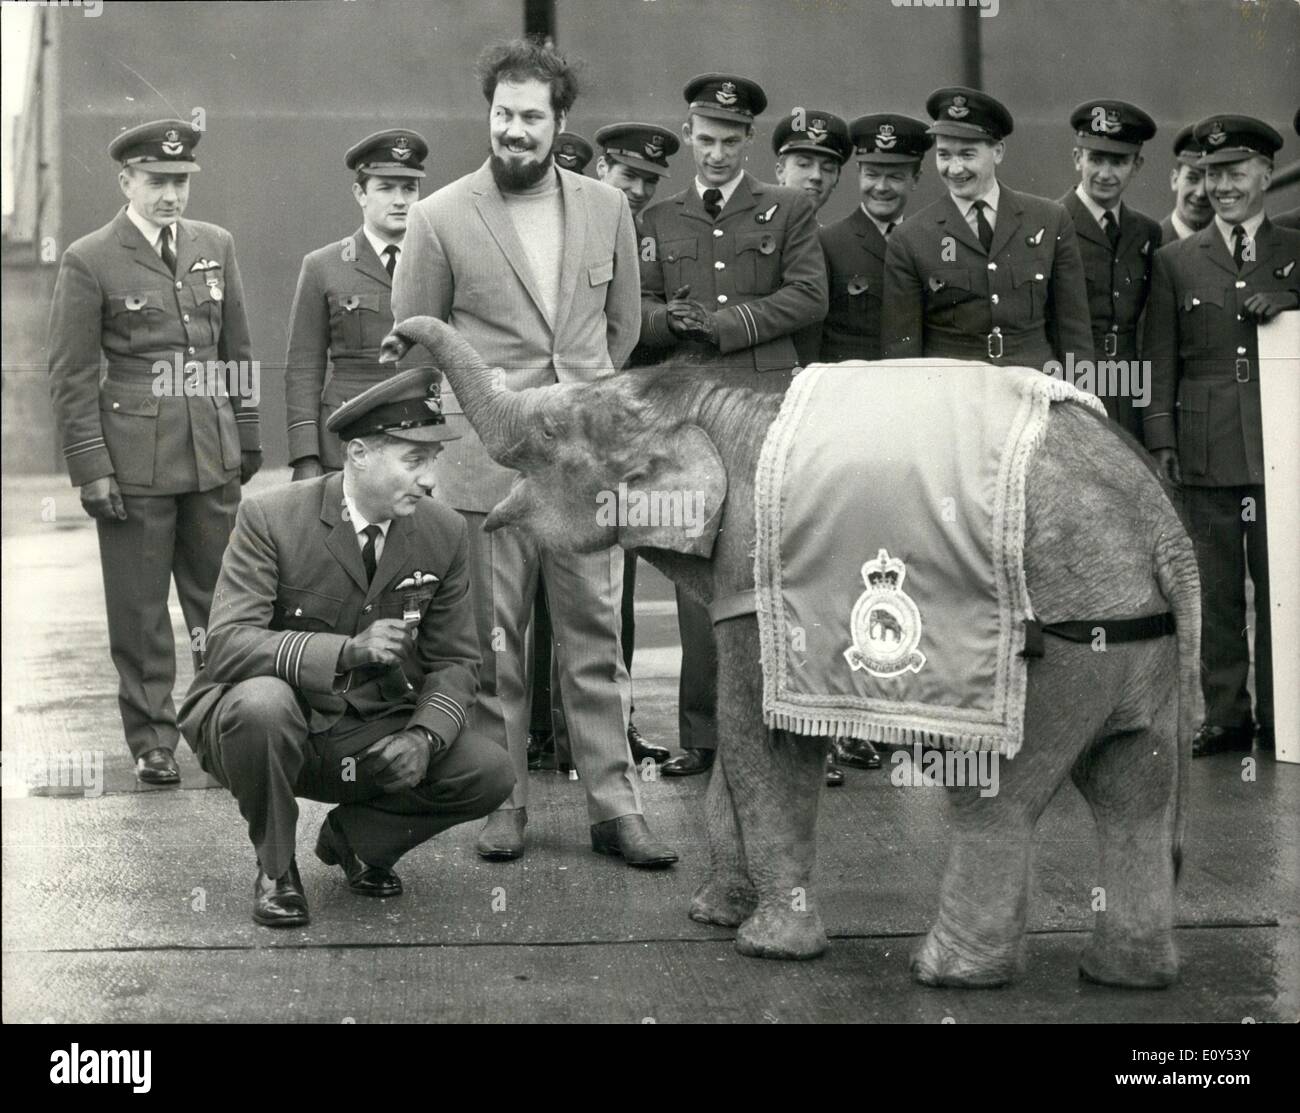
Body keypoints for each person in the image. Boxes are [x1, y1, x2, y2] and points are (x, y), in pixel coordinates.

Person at [392, 38, 676, 866]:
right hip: (488, 471)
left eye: (530, 117)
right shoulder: (440, 215)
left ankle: (615, 807)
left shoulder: (607, 208)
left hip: (584, 469)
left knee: (595, 640)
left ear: (560, 123)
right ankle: (501, 797)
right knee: (496, 646)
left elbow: (619, 334)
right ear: (489, 115)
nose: (514, 131)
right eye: (502, 115)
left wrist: (582, 414)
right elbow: (422, 343)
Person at [179, 368, 513, 927]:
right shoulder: (272, 517)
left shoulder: (445, 531)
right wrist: (342, 653)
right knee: (262, 703)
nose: (430, 480)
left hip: (368, 732)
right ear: (359, 453)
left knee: (489, 770)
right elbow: (227, 646)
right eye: (414, 460)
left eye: (433, 460)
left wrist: (423, 737)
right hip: (273, 728)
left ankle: (357, 841)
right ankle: (277, 868)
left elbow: (457, 661)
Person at [47, 119, 261, 787]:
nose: (170, 195)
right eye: (156, 182)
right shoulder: (91, 257)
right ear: (127, 182)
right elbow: (72, 373)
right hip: (134, 462)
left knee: (221, 605)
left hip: (211, 451)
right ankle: (151, 739)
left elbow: (237, 350)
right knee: (140, 611)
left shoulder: (214, 245)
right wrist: (92, 467)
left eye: (179, 182)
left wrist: (246, 436)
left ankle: (219, 728)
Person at [636, 72, 828, 777]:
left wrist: (720, 326)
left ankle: (800, 733)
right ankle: (705, 735)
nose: (715, 154)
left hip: (767, 409)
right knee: (696, 564)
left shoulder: (788, 208)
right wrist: (668, 321)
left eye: (728, 141)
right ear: (688, 136)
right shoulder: (658, 218)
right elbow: (639, 311)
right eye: (704, 139)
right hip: (692, 415)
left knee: (783, 564)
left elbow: (809, 295)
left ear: (750, 141)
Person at [1143, 114, 1299, 759]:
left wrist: (1293, 302)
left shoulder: (1294, 251)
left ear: (1266, 173)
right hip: (1205, 446)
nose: (1222, 187)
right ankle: (1227, 715)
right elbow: (1159, 354)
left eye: (1235, 173)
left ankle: (1283, 713)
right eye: (1211, 175)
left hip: (1283, 445)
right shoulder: (1177, 259)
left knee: (1284, 584)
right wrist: (1161, 438)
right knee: (1216, 590)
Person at [881, 86, 1093, 370]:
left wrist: (1080, 402)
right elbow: (901, 354)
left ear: (998, 152)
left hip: (1032, 387)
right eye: (944, 155)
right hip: (954, 397)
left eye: (967, 155)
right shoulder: (910, 238)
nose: (954, 169)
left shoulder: (1050, 219)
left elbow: (1074, 333)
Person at [284, 129, 429, 478]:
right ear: (360, 194)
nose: (400, 200)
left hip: (423, 434)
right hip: (349, 439)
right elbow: (304, 367)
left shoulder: (439, 262)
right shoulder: (324, 265)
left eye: (409, 188)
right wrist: (306, 456)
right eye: (386, 188)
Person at [1058, 100, 1161, 439]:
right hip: (1073, 384)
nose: (1105, 173)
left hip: (1131, 386)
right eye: (1096, 159)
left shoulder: (1146, 232)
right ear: (1077, 159)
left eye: (1118, 161)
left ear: (1137, 165)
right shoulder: (1051, 223)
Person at [819, 113, 932, 363]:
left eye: (895, 176)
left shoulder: (931, 244)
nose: (881, 187)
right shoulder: (828, 243)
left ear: (915, 179)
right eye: (872, 174)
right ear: (859, 173)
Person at [771, 108, 851, 375]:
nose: (816, 176)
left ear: (837, 180)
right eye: (804, 164)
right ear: (780, 171)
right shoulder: (746, 231)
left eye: (828, 169)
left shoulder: (834, 243)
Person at [1159, 125, 1213, 245]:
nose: (1201, 193)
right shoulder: (1150, 245)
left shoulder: (1241, 247)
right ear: (1175, 180)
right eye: (1192, 179)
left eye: (1211, 180)